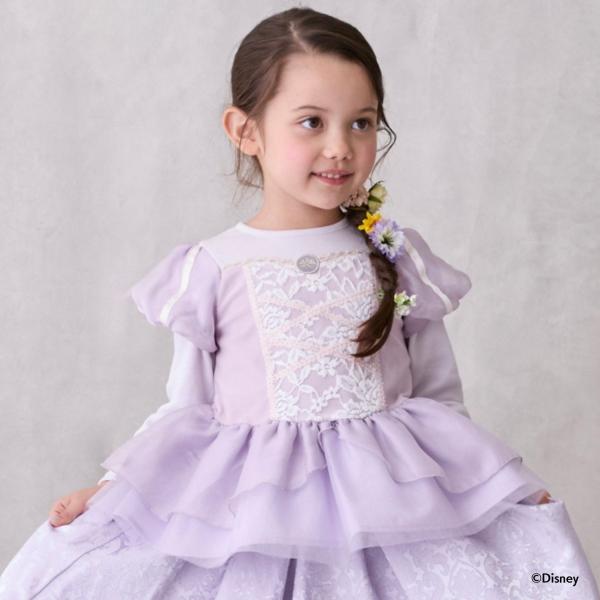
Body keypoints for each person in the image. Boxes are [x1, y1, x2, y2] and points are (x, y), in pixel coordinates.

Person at [1, 6, 598, 599]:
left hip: (393, 514)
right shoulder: (213, 268)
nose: (341, 147)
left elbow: (442, 403)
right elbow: (184, 408)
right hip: (256, 521)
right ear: (245, 130)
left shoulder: (396, 255)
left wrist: (502, 492)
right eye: (311, 122)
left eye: (362, 123)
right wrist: (112, 490)